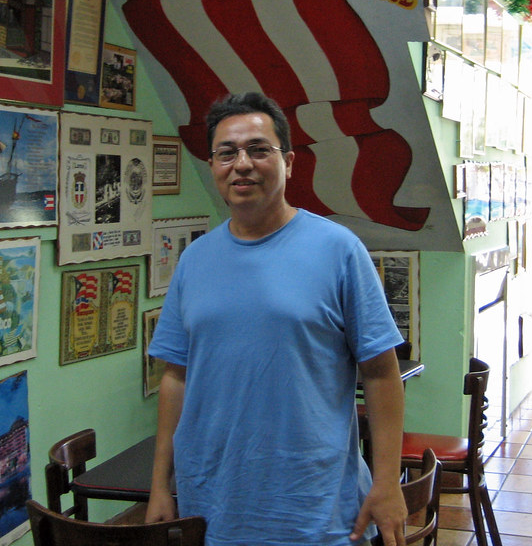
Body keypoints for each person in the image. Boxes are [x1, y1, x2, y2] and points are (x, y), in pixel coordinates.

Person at [145, 92, 407, 546]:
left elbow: (383, 374)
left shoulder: (338, 250)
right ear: (213, 166)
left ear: (288, 163)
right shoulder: (194, 260)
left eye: (258, 150)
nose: (241, 163)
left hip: (314, 502)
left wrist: (386, 483)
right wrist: (158, 487)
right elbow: (176, 377)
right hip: (213, 498)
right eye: (227, 152)